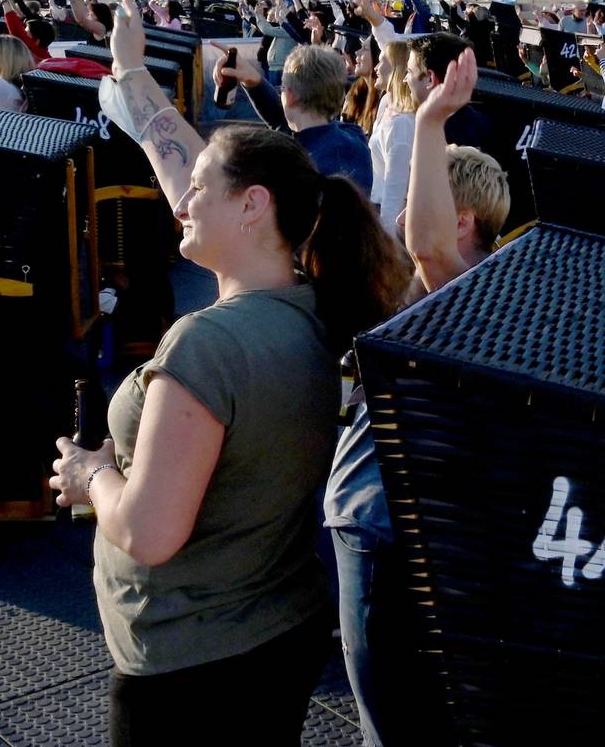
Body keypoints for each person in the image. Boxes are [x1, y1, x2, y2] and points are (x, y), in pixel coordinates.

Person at [56, 0, 411, 747]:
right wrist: (131, 76)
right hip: (274, 635)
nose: (182, 201)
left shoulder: (205, 346)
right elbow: (187, 166)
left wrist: (94, 475)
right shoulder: (315, 308)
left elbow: (149, 533)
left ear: (253, 207)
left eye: (201, 192)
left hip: (187, 666)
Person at [329, 47, 510, 746]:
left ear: (462, 218)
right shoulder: (495, 278)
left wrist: (432, 119)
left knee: (393, 724)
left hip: (384, 527)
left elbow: (428, 245)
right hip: (420, 523)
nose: (402, 211)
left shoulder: (463, 282)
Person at [213, 42, 374, 195]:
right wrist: (253, 81)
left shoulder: (302, 169)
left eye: (282, 88)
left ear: (290, 96)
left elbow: (283, 123)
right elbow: (283, 121)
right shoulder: (352, 136)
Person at [367, 42, 418, 228]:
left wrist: (386, 242)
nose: (376, 67)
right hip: (374, 204)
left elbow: (394, 190)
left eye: (382, 62)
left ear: (396, 68)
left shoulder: (402, 125)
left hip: (390, 215)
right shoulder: (386, 102)